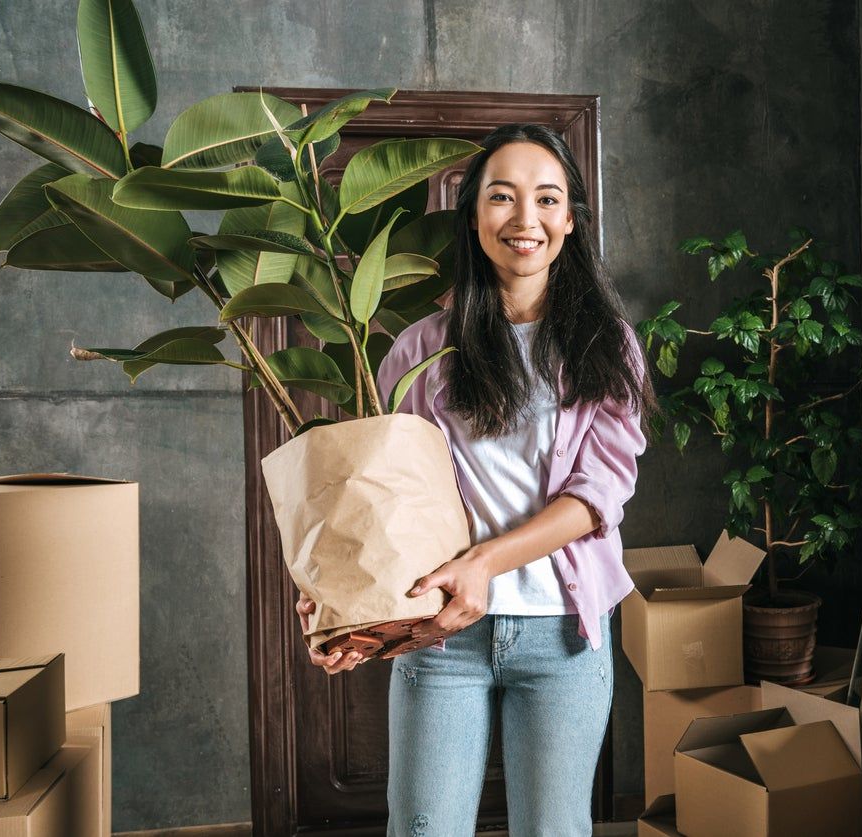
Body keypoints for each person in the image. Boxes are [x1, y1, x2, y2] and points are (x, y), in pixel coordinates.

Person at [295, 122, 658, 836]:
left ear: (571, 221)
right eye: (503, 197)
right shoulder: (421, 349)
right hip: (442, 638)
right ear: (471, 215)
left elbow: (597, 495)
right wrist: (340, 609)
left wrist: (485, 562)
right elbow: (377, 502)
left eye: (548, 200)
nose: (527, 219)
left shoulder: (605, 344)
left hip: (565, 633)